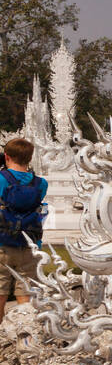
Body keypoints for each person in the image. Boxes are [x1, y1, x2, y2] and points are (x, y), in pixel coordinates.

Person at [0, 138, 48, 323]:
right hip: (30, 245)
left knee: (1, 292)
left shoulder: (1, 179)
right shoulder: (41, 183)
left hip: (3, 242)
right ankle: (25, 336)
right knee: (25, 293)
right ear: (30, 158)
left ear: (7, 156)